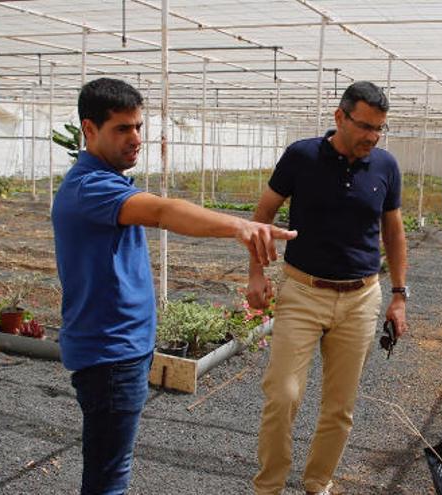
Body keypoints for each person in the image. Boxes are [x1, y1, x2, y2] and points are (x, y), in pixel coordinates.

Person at [51, 77, 296, 495]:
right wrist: (240, 225)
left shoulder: (104, 181)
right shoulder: (89, 187)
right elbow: (164, 212)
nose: (136, 138)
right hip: (110, 355)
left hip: (120, 350)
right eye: (122, 129)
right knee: (108, 477)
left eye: (139, 127)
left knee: (110, 466)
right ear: (89, 130)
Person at [248, 81, 409, 495]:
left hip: (360, 298)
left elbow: (393, 232)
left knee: (340, 407)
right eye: (366, 126)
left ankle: (318, 483)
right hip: (302, 292)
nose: (373, 137)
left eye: (380, 129)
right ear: (339, 117)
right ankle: (269, 487)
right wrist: (256, 273)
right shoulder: (301, 156)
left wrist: (398, 295)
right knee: (282, 396)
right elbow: (264, 213)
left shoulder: (386, 167)